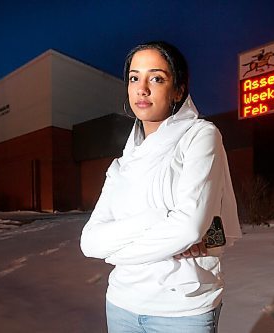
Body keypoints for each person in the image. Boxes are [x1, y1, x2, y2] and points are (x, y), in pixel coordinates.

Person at [80, 41, 242, 333]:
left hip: (183, 311)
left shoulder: (200, 137)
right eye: (134, 78)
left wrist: (116, 255)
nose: (142, 88)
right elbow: (90, 242)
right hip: (121, 304)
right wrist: (159, 217)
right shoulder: (122, 164)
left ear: (179, 90)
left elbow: (189, 228)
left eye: (156, 78)